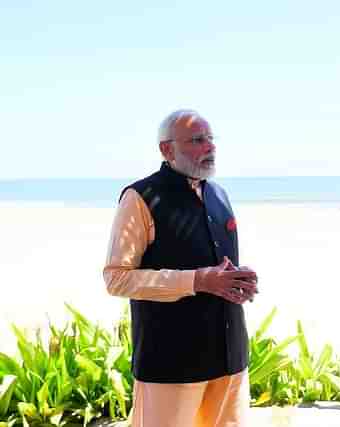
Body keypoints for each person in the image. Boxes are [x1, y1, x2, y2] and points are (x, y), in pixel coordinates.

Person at [103, 109, 258, 427]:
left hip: (230, 361)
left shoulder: (219, 194)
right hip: (170, 365)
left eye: (211, 139)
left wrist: (237, 282)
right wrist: (197, 281)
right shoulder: (141, 197)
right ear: (166, 149)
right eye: (197, 140)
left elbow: (216, 270)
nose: (209, 147)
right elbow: (117, 278)